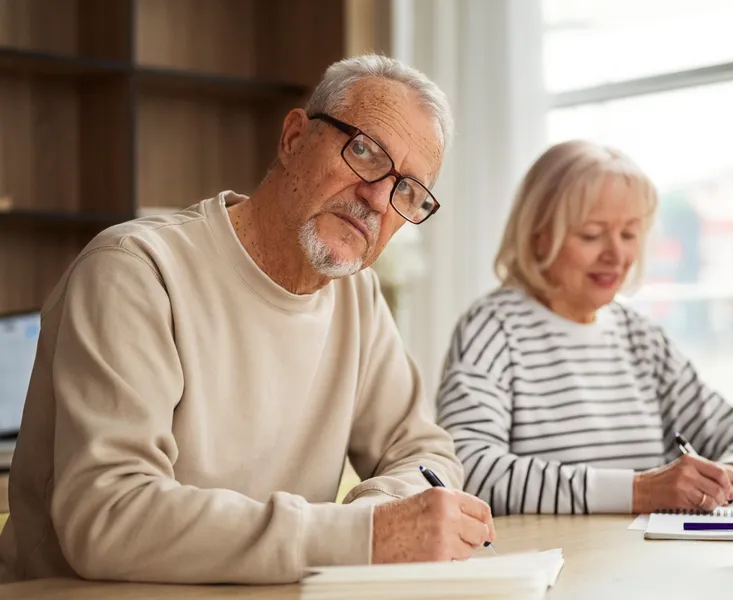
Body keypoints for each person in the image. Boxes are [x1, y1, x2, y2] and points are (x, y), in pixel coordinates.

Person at [0, 55, 495, 585]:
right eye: (365, 152)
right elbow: (110, 517)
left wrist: (378, 511)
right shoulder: (135, 270)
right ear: (293, 139)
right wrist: (363, 535)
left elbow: (424, 453)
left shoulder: (358, 296)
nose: (377, 197)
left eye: (408, 192)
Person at [436, 140, 733, 516]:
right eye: (592, 234)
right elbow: (467, 467)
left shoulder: (641, 338)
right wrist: (639, 491)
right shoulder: (493, 329)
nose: (616, 255)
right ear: (539, 238)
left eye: (629, 234)